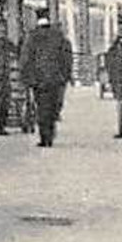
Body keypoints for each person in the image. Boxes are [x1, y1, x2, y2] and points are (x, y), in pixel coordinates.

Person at [19, 9, 72, 147]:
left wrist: (26, 78)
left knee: (42, 107)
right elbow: (67, 57)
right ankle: (51, 132)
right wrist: (65, 75)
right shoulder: (59, 36)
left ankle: (45, 137)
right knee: (53, 106)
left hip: (38, 80)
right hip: (56, 78)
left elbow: (25, 59)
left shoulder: (32, 37)